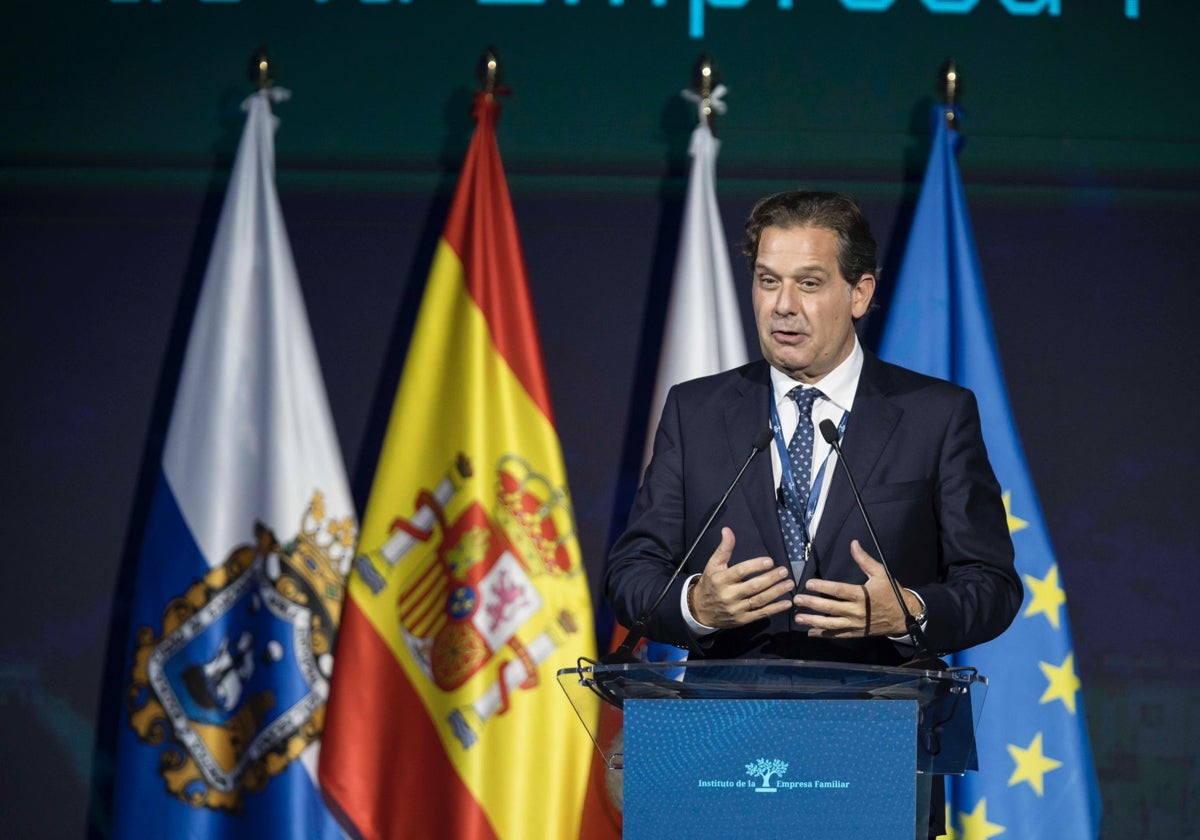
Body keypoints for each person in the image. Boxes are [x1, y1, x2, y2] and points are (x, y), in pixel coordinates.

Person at [604, 190, 1023, 837]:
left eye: (808, 283)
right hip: (721, 752)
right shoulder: (696, 412)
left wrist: (908, 612)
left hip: (873, 749)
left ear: (860, 293)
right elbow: (631, 571)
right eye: (767, 281)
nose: (782, 306)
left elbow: (993, 585)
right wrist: (694, 604)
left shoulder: (935, 417)